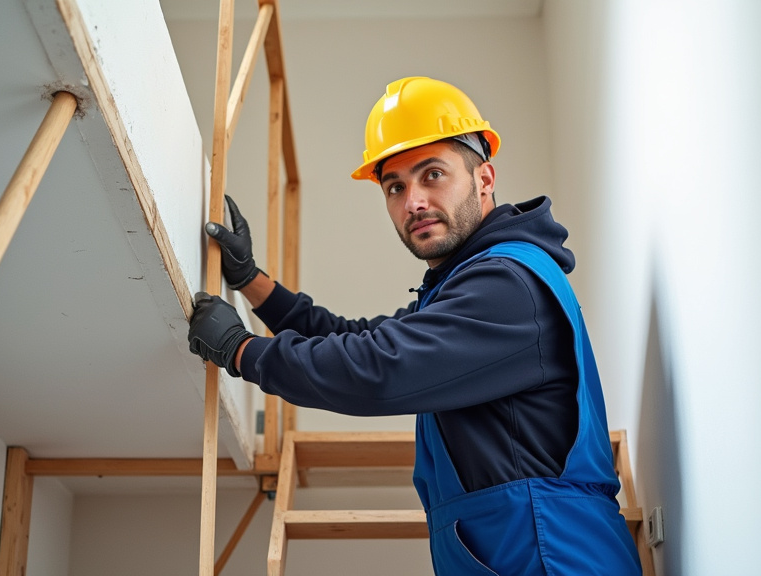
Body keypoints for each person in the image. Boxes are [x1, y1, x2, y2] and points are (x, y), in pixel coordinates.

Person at [188, 76, 642, 576]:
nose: (414, 202)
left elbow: (377, 371)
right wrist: (252, 282)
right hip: (526, 550)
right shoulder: (468, 284)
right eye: (396, 187)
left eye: (433, 175)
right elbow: (356, 338)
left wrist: (240, 350)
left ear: (484, 178)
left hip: (555, 557)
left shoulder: (505, 286)